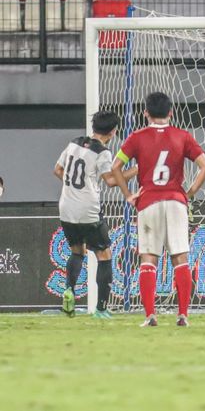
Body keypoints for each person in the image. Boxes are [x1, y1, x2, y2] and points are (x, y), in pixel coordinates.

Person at [111, 92, 205, 327]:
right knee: (180, 257)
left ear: (145, 112)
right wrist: (189, 193)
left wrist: (128, 195)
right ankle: (183, 315)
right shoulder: (183, 136)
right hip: (176, 201)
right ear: (171, 112)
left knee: (149, 258)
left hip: (148, 202)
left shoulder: (136, 137)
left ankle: (150, 316)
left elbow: (116, 167)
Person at [54, 110, 138, 319]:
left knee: (77, 252)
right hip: (88, 210)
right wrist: (137, 168)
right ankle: (101, 309)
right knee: (104, 255)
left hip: (66, 208)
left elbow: (57, 170)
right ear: (113, 131)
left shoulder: (74, 143)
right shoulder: (103, 152)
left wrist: (73, 188)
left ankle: (69, 291)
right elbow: (111, 181)